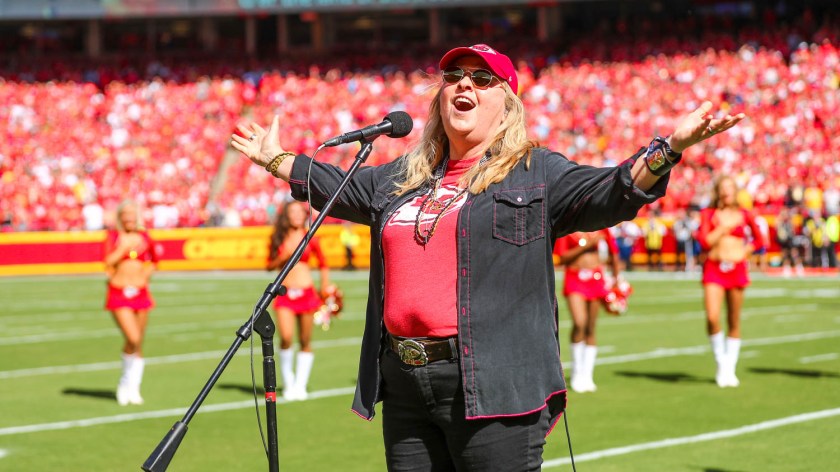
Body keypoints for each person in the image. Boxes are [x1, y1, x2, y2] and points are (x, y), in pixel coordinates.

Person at [232, 43, 743, 470]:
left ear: (508, 103)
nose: (464, 85)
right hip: (406, 383)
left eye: (482, 78)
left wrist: (666, 150)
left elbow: (611, 191)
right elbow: (334, 184)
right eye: (454, 76)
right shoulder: (400, 177)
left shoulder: (535, 173)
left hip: (493, 386)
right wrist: (274, 159)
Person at [696, 176, 765, 388]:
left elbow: (760, 240)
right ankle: (721, 362)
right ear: (718, 192)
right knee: (712, 316)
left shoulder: (745, 214)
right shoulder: (709, 214)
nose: (726, 192)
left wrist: (745, 251)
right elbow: (704, 241)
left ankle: (729, 369)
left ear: (735, 191)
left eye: (730, 188)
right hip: (714, 268)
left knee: (734, 320)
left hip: (736, 269)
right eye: (722, 188)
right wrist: (724, 228)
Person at [267, 200, 331, 401]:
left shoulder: (311, 236)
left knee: (305, 340)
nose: (296, 215)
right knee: (285, 337)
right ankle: (288, 382)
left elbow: (323, 264)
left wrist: (325, 288)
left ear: (304, 215)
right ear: (286, 215)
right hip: (285, 294)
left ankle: (300, 385)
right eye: (291, 212)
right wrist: (282, 257)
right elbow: (269, 266)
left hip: (307, 294)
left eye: (298, 212)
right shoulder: (278, 237)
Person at [103, 200, 159, 406]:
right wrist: (124, 247)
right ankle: (124, 382)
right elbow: (107, 261)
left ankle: (134, 387)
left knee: (139, 343)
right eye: (124, 214)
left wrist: (145, 274)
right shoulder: (114, 237)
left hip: (141, 293)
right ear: (119, 217)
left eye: (131, 214)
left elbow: (155, 261)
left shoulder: (145, 236)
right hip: (119, 293)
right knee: (133, 338)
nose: (128, 218)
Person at [554, 229, 622, 393]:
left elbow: (614, 254)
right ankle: (577, 372)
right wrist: (586, 246)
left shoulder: (603, 228)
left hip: (596, 277)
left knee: (591, 327)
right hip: (575, 277)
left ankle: (587, 374)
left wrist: (616, 279)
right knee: (579, 323)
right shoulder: (569, 229)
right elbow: (562, 257)